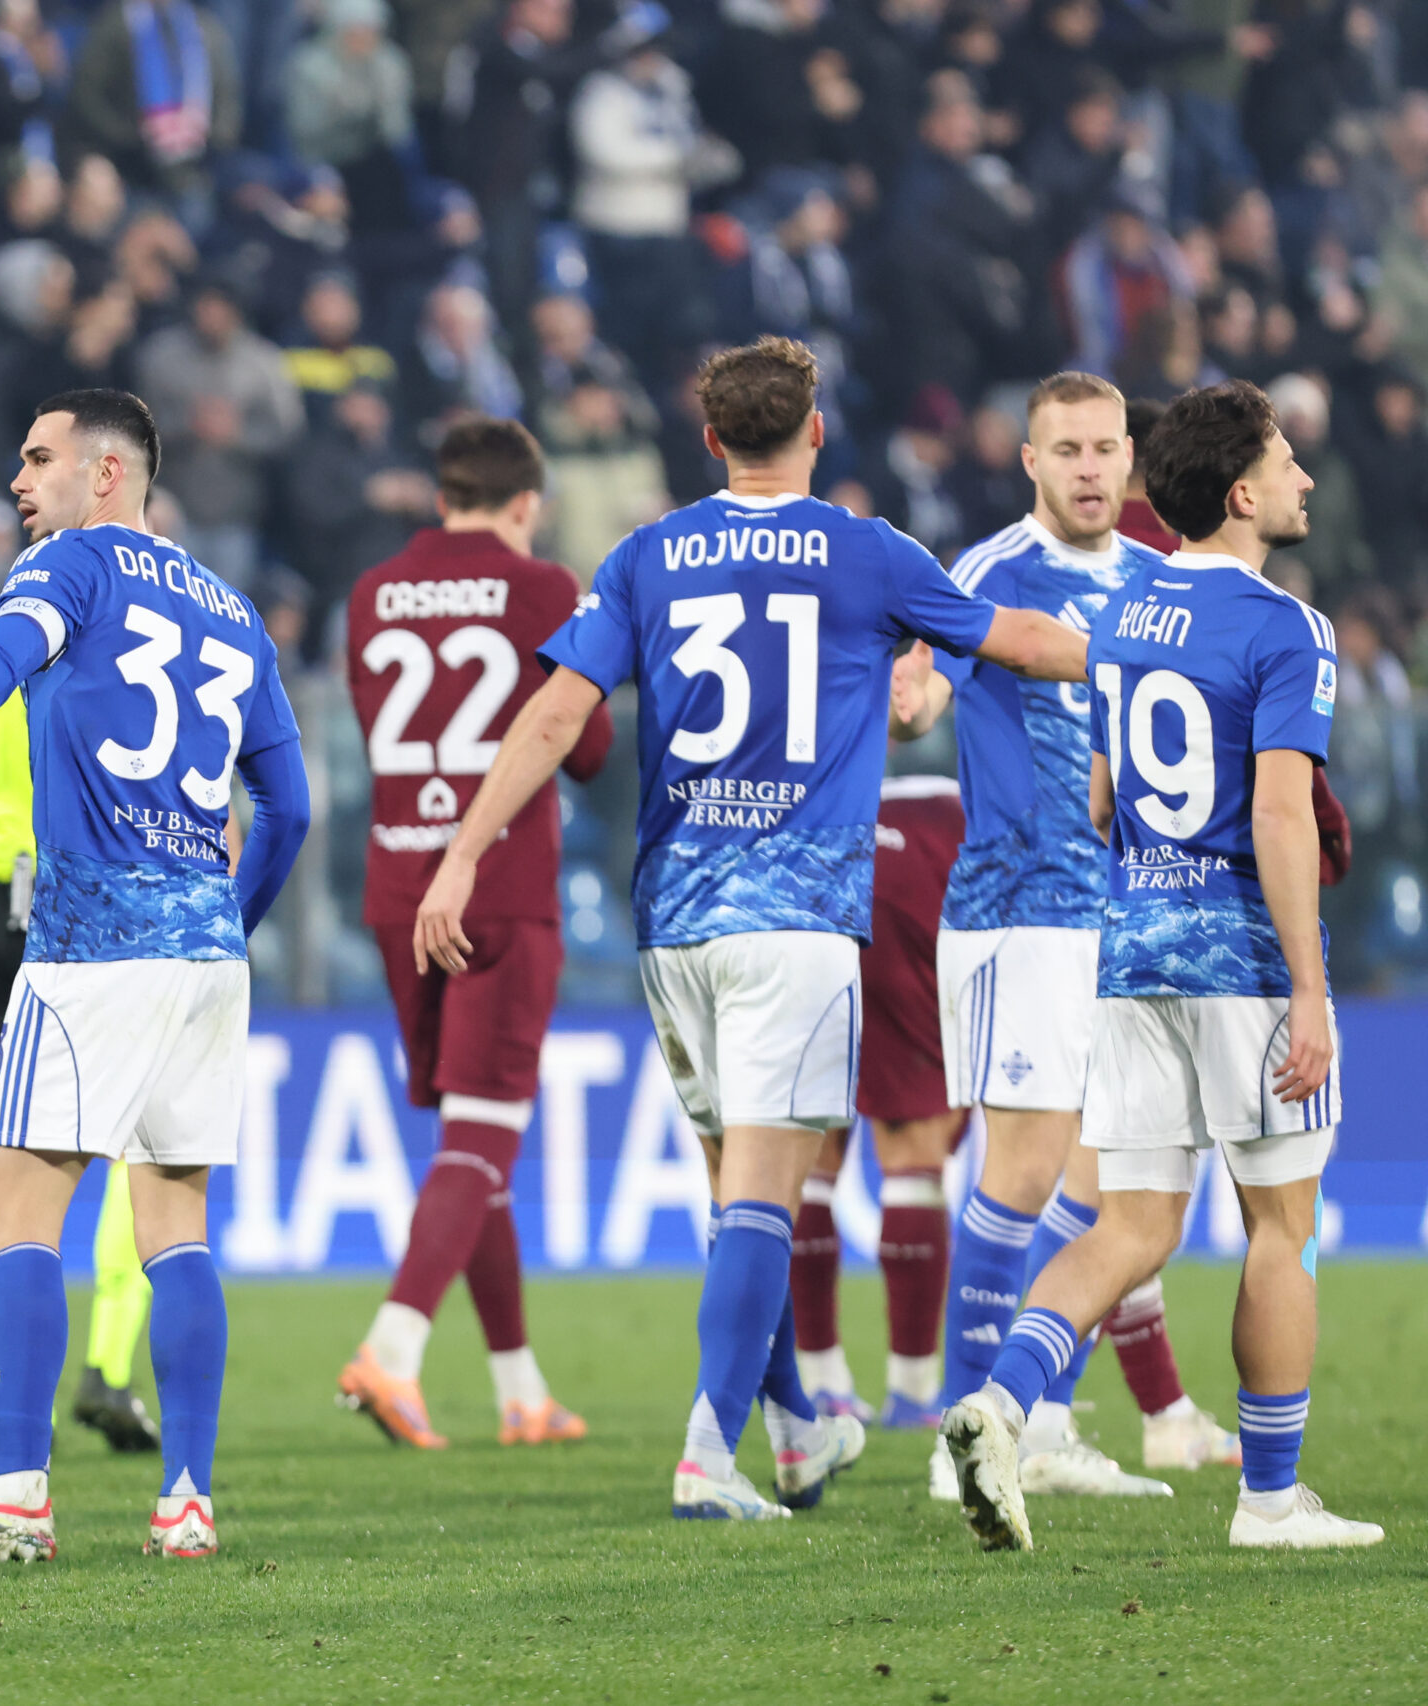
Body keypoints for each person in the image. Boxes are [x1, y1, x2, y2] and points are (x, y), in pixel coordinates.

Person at [415, 337, 1089, 1521]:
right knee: (764, 1198)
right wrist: (1171, 657)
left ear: (710, 438)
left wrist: (463, 851)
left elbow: (556, 710)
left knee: (738, 1193)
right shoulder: (868, 551)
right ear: (816, 430)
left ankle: (792, 1429)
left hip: (676, 918)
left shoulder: (646, 553)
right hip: (795, 920)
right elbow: (1021, 643)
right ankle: (705, 1456)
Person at [941, 379, 1382, 1553]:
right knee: (1280, 1225)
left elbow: (1100, 799)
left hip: (1129, 947)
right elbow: (1280, 817)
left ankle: (998, 1402)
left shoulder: (1125, 611)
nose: (1300, 479)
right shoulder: (1287, 627)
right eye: (1283, 463)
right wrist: (1307, 989)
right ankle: (1270, 1500)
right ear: (1239, 494)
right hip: (1241, 957)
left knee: (1129, 1223)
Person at [0, 389, 308, 1564]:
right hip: (206, 954)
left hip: (91, 939)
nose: (19, 481)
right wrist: (226, 918)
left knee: (15, 1210)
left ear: (104, 473)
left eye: (38, 458)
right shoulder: (232, 610)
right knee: (174, 1224)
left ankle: (16, 1489)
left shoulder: (68, 564)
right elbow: (288, 807)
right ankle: (185, 1498)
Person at [892, 372, 1245, 1499]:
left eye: (1104, 449)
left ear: (1130, 459)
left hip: (1127, 918)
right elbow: (924, 687)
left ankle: (1036, 1425)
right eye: (1067, 451)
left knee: (1108, 1187)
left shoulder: (1156, 579)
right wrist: (912, 695)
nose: (1089, 469)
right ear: (1030, 463)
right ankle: (962, 1440)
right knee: (1025, 1168)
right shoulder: (991, 572)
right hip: (1021, 911)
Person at [333, 417, 611, 1450]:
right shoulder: (541, 586)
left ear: (441, 494)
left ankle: (519, 1389)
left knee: (465, 1136)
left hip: (398, 884)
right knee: (484, 1133)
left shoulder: (371, 592)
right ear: (526, 503)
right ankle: (393, 1347)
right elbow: (588, 747)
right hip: (497, 882)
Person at [0, 598, 159, 1456]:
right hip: (93, 911)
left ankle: (12, 1397)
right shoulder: (129, 632)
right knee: (137, 1143)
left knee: (13, 1161)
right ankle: (107, 1364)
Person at [787, 773, 970, 1431]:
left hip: (817, 831)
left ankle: (820, 1381)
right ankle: (913, 1392)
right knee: (913, 1153)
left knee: (808, 1150)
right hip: (937, 834)